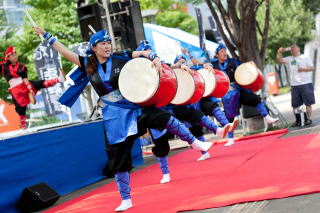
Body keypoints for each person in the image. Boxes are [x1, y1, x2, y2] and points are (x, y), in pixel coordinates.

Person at [33, 27, 213, 212]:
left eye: (109, 42)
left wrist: (155, 58)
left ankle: (195, 143)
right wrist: (47, 36)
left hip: (132, 109)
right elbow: (63, 51)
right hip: (113, 119)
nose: (107, 46)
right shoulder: (87, 63)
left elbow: (144, 53)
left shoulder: (121, 57)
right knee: (119, 160)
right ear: (94, 47)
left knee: (162, 117)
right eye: (103, 43)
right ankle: (126, 199)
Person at [204, 44, 278, 140]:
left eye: (225, 51)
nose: (224, 53)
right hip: (226, 94)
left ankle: (267, 117)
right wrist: (207, 65)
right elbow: (207, 65)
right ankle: (230, 139)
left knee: (254, 98)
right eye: (222, 51)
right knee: (229, 117)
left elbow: (244, 67)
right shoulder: (213, 65)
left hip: (238, 90)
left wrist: (250, 64)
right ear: (217, 55)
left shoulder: (233, 62)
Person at [172, 51, 239, 149]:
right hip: (187, 107)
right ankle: (205, 152)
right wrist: (179, 66)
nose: (182, 63)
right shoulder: (173, 75)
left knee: (211, 105)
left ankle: (227, 125)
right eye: (179, 62)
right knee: (196, 129)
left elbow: (204, 65)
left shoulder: (193, 70)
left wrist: (208, 66)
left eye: (184, 62)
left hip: (199, 101)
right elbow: (169, 67)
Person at [0, 46, 65, 129]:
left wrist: (29, 88)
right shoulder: (3, 66)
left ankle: (59, 79)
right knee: (20, 109)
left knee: (39, 83)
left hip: (23, 85)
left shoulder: (21, 67)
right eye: (12, 55)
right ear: (8, 57)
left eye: (15, 54)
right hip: (15, 90)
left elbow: (25, 79)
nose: (15, 56)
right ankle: (24, 127)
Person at [276, 44, 315, 126]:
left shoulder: (305, 57)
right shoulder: (290, 59)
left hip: (305, 83)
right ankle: (298, 121)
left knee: (308, 103)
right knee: (295, 104)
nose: (292, 50)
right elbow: (279, 60)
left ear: (298, 49)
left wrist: (303, 69)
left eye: (294, 48)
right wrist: (279, 52)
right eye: (291, 49)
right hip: (294, 85)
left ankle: (309, 119)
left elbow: (312, 68)